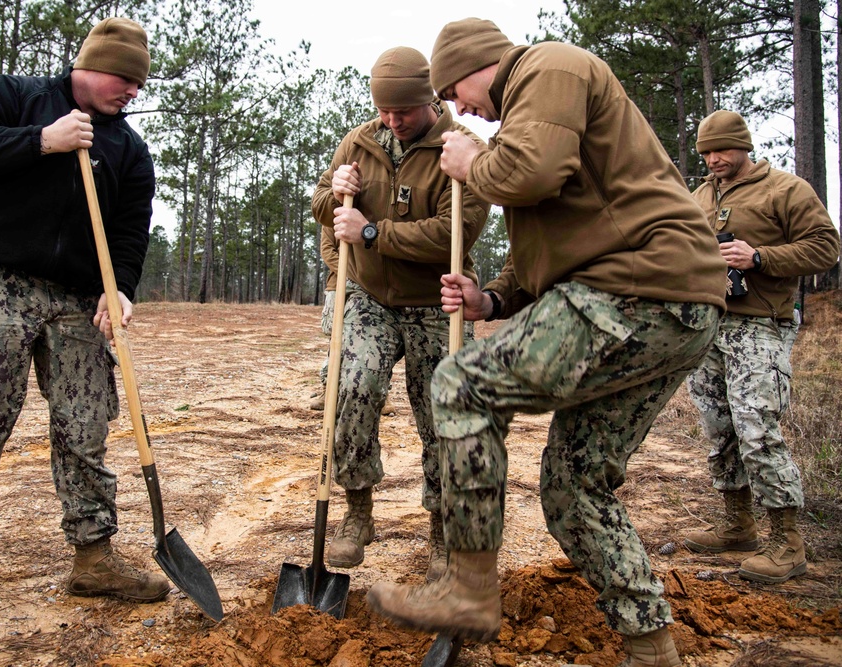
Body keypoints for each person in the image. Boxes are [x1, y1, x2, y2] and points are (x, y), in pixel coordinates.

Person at [364, 18, 729, 667]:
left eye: (454, 91)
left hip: (637, 290)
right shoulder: (530, 124)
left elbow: (529, 174)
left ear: (480, 63)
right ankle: (650, 644)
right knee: (573, 488)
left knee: (460, 382)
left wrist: (473, 161)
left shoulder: (549, 67)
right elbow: (545, 248)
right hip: (669, 306)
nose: (457, 110)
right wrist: (492, 300)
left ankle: (469, 587)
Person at [0, 17, 168, 624]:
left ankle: (93, 557)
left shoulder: (127, 148)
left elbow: (128, 231)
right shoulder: (18, 97)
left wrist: (118, 289)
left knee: (85, 425)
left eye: (138, 83)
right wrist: (40, 140)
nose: (133, 92)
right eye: (126, 79)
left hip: (76, 296)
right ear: (92, 67)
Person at [311, 46, 490, 580]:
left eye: (403, 112)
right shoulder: (361, 141)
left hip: (438, 301)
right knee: (352, 387)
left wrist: (371, 231)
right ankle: (357, 509)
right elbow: (324, 204)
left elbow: (450, 234)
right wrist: (335, 195)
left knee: (442, 417)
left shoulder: (465, 150)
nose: (392, 121)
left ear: (431, 100)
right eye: (384, 110)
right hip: (367, 295)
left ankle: (441, 532)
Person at [682, 110, 839, 584]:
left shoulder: (785, 190)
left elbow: (826, 246)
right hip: (709, 325)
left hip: (760, 327)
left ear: (744, 146)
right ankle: (737, 525)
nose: (714, 160)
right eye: (706, 153)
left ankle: (788, 542)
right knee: (719, 428)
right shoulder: (699, 196)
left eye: (722, 150)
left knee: (757, 427)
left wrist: (760, 257)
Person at [310, 226, 396, 416]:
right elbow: (327, 251)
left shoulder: (374, 214)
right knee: (336, 340)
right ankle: (329, 389)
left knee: (376, 344)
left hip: (374, 289)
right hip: (340, 285)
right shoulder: (332, 217)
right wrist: (355, 273)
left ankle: (382, 393)